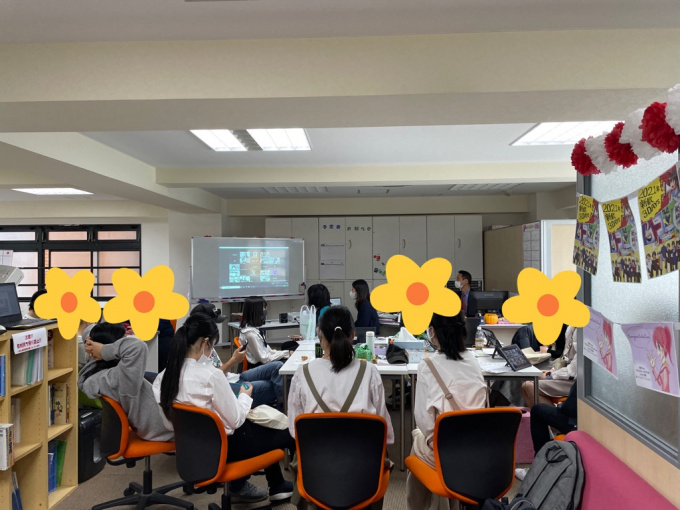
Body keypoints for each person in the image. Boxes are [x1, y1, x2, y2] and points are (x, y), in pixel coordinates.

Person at [154, 314, 294, 505]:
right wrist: (245, 396)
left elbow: (169, 424)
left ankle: (273, 485)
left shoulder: (163, 378)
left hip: (191, 448)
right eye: (212, 346)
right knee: (287, 430)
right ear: (205, 343)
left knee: (259, 427)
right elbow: (236, 420)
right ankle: (285, 487)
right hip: (227, 447)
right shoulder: (211, 376)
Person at [287, 306, 394, 509]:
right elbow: (386, 434)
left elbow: (294, 431)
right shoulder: (369, 372)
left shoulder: (303, 374)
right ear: (353, 335)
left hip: (316, 472)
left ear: (320, 334)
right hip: (363, 474)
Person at [407, 312, 486, 510]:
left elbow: (422, 420)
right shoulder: (474, 362)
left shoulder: (427, 366)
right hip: (477, 447)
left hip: (445, 451)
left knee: (417, 437)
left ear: (432, 332)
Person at [78, 322, 173, 442]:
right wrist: (103, 350)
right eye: (122, 341)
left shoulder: (96, 370)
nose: (126, 342)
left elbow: (90, 332)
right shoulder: (120, 377)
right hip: (163, 427)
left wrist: (94, 344)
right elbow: (138, 347)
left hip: (154, 422)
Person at [191, 302, 285, 409]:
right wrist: (233, 360)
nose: (215, 327)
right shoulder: (197, 350)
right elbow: (213, 378)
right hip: (229, 387)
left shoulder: (207, 342)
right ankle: (283, 410)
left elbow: (219, 369)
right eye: (213, 323)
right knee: (275, 385)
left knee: (277, 366)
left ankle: (282, 408)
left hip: (234, 378)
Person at [515, 382, 578, 481]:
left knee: (537, 409)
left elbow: (570, 408)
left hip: (576, 423)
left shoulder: (586, 375)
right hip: (583, 419)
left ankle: (539, 467)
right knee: (528, 388)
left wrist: (561, 406)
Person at [521, 326, 577, 408]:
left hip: (577, 382)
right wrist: (552, 371)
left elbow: (574, 371)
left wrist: (550, 375)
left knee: (529, 386)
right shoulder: (571, 328)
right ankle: (539, 415)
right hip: (568, 375)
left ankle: (553, 415)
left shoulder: (581, 332)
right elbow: (566, 359)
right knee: (525, 386)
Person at [240, 296, 289, 366]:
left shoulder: (254, 330)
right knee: (284, 364)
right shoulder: (251, 334)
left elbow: (269, 351)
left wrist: (287, 353)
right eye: (263, 307)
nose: (265, 310)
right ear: (255, 311)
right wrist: (284, 354)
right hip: (258, 365)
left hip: (263, 362)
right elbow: (264, 359)